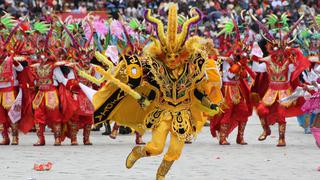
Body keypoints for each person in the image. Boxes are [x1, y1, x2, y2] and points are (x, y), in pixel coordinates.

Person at [91, 5, 222, 179]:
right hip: (163, 112)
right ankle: (138, 152)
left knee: (175, 151)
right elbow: (152, 91)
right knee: (156, 147)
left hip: (182, 114)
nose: (173, 59)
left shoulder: (191, 71)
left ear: (183, 55)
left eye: (176, 56)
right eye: (169, 56)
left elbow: (197, 94)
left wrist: (209, 103)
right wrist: (144, 100)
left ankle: (160, 175)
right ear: (163, 55)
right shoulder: (158, 71)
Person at [251, 12, 310, 147]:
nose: (278, 53)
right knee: (261, 110)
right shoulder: (268, 60)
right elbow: (257, 68)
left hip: (284, 91)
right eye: (276, 49)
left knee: (281, 113)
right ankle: (266, 130)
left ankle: (281, 138)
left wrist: (295, 55)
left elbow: (296, 68)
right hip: (271, 91)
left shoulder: (289, 62)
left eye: (281, 50)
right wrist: (253, 55)